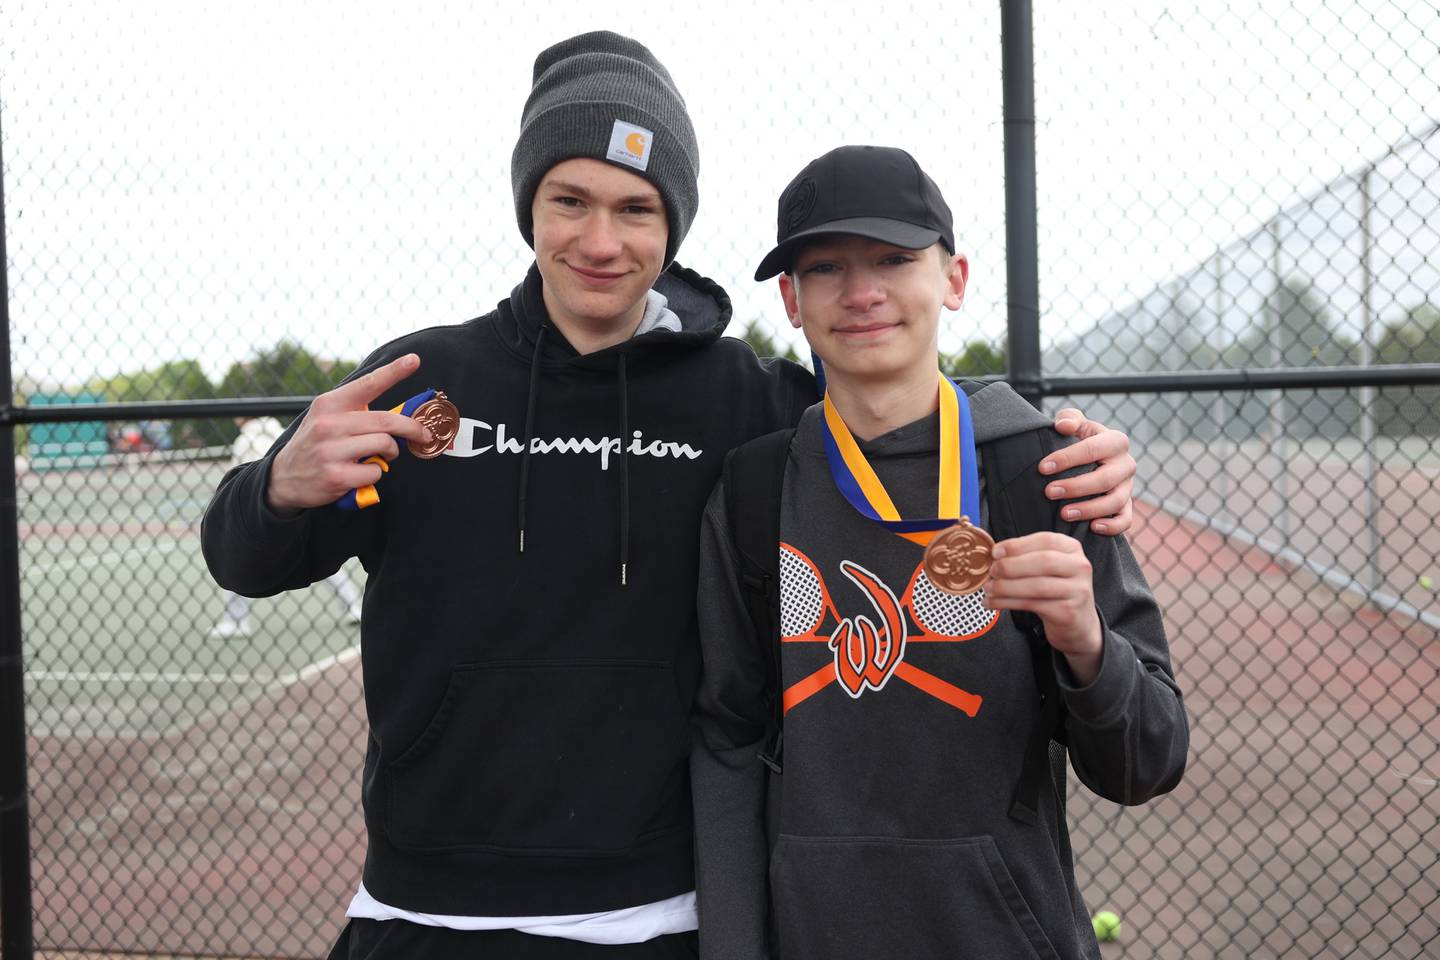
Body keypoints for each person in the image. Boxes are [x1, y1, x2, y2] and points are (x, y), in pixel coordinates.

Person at [202, 33, 1139, 958]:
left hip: (661, 911)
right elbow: (242, 561)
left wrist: (1027, 433)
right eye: (571, 201)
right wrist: (276, 490)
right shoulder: (420, 383)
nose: (601, 241)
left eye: (635, 209)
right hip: (427, 908)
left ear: (672, 224)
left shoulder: (745, 398)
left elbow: (889, 399)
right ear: (531, 207)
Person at [689, 146, 1189, 960]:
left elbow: (1148, 760)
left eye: (893, 258)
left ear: (953, 279)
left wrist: (1087, 642)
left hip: (1003, 934)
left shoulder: (1042, 470)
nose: (861, 293)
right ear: (790, 298)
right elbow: (728, 744)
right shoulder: (754, 492)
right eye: (825, 269)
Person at [206, 416, 362, 639]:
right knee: (319, 554)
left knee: (235, 556)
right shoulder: (283, 431)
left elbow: (238, 483)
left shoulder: (245, 440)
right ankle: (352, 605)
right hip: (302, 503)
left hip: (261, 511)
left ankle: (236, 620)